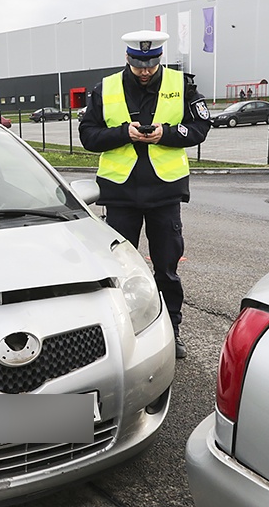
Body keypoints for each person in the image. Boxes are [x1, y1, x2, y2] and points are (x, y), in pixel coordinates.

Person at [79, 30, 211, 360]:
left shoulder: (182, 85)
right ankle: (122, 335)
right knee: (119, 271)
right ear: (128, 58)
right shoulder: (105, 88)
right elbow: (88, 135)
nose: (145, 71)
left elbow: (200, 127)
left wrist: (165, 134)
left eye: (151, 64)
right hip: (120, 194)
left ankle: (172, 329)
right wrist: (124, 133)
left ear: (159, 59)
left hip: (165, 193)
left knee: (166, 270)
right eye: (139, 65)